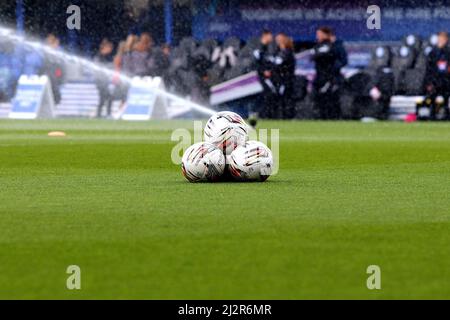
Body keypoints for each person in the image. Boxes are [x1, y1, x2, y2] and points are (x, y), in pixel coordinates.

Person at [312, 27, 341, 120]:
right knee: (318, 98)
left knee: (328, 98)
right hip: (319, 76)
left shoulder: (331, 45)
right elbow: (313, 56)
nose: (318, 36)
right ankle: (320, 117)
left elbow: (337, 58)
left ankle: (330, 117)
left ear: (325, 34)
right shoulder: (318, 45)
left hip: (328, 77)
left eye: (319, 34)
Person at [423, 31, 450, 120]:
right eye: (440, 38)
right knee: (432, 99)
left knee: (446, 100)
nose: (441, 40)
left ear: (446, 40)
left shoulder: (448, 52)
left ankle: (446, 117)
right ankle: (432, 116)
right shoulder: (433, 53)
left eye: (443, 39)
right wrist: (428, 82)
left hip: (446, 80)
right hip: (435, 80)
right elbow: (429, 69)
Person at [253, 29, 276, 118]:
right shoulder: (259, 48)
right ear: (265, 36)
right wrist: (263, 71)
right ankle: (263, 115)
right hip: (263, 77)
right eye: (270, 36)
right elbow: (256, 63)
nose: (272, 38)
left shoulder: (266, 48)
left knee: (268, 95)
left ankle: (265, 115)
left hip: (267, 76)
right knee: (267, 95)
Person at [273, 33, 296, 119]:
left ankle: (287, 117)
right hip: (280, 80)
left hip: (286, 81)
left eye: (279, 39)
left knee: (286, 100)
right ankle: (282, 117)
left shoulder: (287, 52)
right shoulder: (278, 52)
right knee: (281, 100)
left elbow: (278, 65)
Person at [94, 38, 114, 118]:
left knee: (104, 98)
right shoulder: (99, 56)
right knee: (107, 97)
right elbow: (98, 70)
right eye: (109, 48)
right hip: (100, 82)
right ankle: (106, 114)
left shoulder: (105, 57)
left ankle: (100, 114)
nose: (111, 49)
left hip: (104, 82)